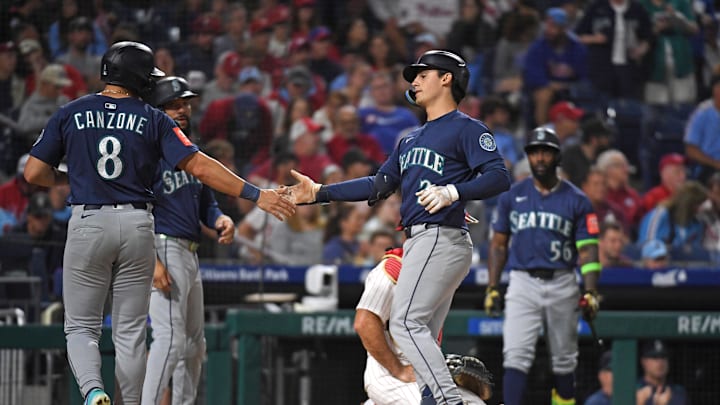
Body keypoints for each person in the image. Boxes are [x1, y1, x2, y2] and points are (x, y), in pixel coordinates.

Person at [23, 41, 295, 405]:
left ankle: (93, 391)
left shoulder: (70, 112)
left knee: (81, 326)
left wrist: (72, 177)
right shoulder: (153, 118)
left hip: (88, 220)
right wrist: (256, 195)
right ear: (138, 77)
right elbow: (200, 165)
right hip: (139, 225)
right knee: (132, 332)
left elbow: (34, 172)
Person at [287, 49, 511, 404]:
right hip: (423, 240)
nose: (415, 81)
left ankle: (445, 401)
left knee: (406, 324)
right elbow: (379, 185)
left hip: (440, 237)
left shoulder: (467, 128)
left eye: (423, 74)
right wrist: (320, 193)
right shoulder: (410, 138)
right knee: (422, 332)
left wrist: (454, 192)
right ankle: (431, 397)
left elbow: (499, 177)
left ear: (446, 78)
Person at [485, 127, 601, 405]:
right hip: (523, 281)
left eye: (545, 152)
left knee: (564, 360)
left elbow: (587, 250)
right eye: (534, 152)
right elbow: (499, 245)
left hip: (562, 281)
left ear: (556, 157)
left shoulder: (577, 199)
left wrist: (590, 291)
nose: (539, 158)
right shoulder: (511, 196)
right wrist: (492, 287)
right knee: (515, 355)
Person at [140, 76, 235, 405]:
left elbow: (206, 203)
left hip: (189, 253)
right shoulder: (146, 154)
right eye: (174, 104)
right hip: (161, 245)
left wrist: (220, 218)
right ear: (157, 110)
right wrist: (151, 261)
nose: (183, 109)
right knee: (170, 339)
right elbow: (134, 210)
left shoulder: (191, 154)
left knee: (195, 345)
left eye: (186, 103)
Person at [355, 247, 494, 405]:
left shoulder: (440, 275)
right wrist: (398, 369)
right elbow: (364, 323)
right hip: (391, 376)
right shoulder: (395, 267)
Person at [636, 339, 689, 405]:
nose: (660, 362)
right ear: (643, 361)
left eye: (663, 357)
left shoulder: (679, 393)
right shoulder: (634, 390)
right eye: (654, 357)